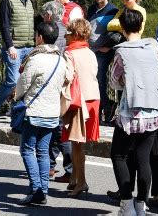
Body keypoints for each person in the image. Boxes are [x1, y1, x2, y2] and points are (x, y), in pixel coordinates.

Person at [110, 9, 158, 216]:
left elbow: (114, 81)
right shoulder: (153, 47)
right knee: (144, 158)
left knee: (119, 155)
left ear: (122, 28)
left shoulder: (121, 51)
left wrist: (127, 81)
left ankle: (126, 202)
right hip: (154, 110)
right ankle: (141, 204)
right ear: (141, 26)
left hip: (129, 113)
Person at [15, 21, 67, 205]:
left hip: (34, 111)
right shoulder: (61, 59)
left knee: (27, 150)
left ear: (40, 37)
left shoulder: (35, 59)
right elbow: (68, 79)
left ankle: (36, 188)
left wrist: (16, 96)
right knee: (43, 152)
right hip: (53, 112)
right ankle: (43, 190)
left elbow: (22, 86)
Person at [62, 18, 100, 197]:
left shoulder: (69, 53)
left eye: (68, 32)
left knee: (77, 144)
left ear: (75, 34)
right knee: (79, 141)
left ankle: (82, 182)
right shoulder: (90, 52)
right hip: (93, 97)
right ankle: (74, 178)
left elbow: (68, 77)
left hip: (79, 100)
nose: (65, 35)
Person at [41, 0, 73, 182]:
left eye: (45, 15)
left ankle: (68, 168)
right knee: (57, 127)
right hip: (62, 82)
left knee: (58, 128)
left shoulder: (51, 31)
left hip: (54, 84)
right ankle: (52, 165)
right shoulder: (67, 31)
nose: (44, 18)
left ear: (50, 15)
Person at [87, 0, 119, 123]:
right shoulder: (91, 9)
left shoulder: (113, 11)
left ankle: (105, 110)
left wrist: (108, 47)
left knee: (100, 81)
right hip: (90, 51)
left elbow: (117, 34)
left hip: (104, 53)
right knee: (92, 82)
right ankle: (96, 113)